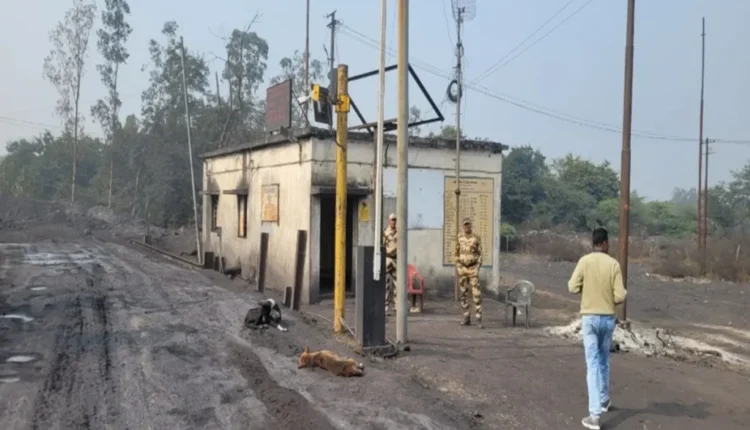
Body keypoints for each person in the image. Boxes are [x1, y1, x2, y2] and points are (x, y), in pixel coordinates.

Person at [567, 228, 627, 430]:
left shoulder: (584, 262)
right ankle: (603, 399)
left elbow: (572, 287)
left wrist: (586, 290)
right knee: (603, 360)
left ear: (593, 243)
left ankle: (594, 416)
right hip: (608, 318)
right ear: (606, 243)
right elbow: (620, 296)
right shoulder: (613, 264)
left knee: (592, 364)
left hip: (590, 319)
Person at [454, 217, 483, 328]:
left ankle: (479, 319)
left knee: (476, 294)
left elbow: (480, 254)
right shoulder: (459, 237)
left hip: (472, 269)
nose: (467, 227)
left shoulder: (476, 238)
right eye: (465, 225)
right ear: (463, 226)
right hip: (463, 269)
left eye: (468, 225)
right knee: (463, 294)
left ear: (471, 225)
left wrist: (477, 267)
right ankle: (466, 317)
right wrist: (458, 266)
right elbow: (456, 253)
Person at [383, 213, 398, 315]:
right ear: (389, 221)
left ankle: (397, 306)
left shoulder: (399, 232)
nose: (394, 221)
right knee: (386, 284)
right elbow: (383, 245)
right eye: (392, 220)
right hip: (388, 259)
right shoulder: (385, 232)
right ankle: (385, 307)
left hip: (396, 259)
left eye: (395, 220)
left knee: (397, 284)